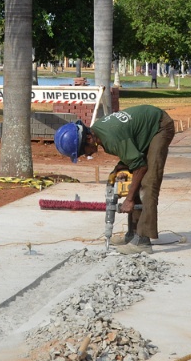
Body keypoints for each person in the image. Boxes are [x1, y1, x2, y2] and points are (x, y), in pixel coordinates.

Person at [54, 105, 175, 254]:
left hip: (159, 127)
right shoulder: (99, 132)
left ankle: (143, 240)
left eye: (82, 152)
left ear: (89, 138)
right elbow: (129, 151)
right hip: (145, 128)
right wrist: (121, 167)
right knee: (132, 176)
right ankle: (132, 234)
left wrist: (129, 199)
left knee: (148, 183)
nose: (85, 155)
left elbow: (140, 167)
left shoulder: (111, 141)